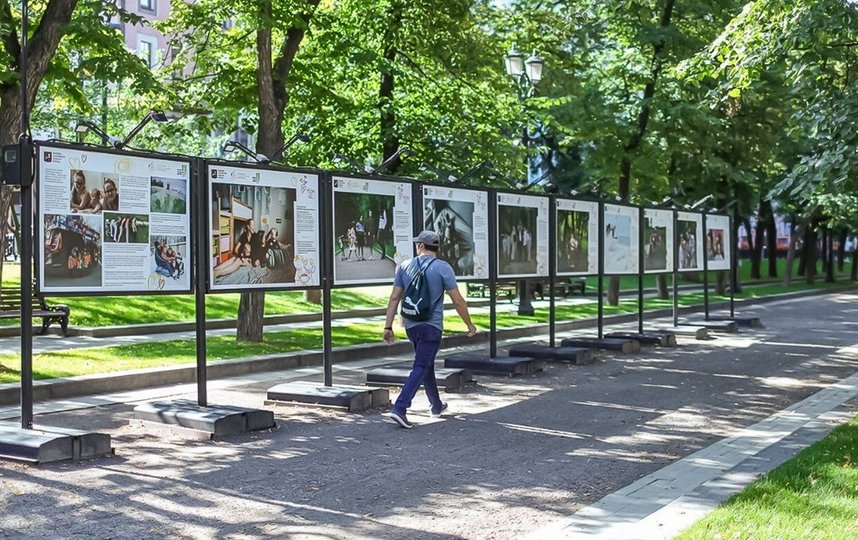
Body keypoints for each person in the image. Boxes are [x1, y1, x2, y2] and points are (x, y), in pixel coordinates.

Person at [382, 230, 478, 429]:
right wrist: (469, 324)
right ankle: (400, 407)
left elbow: (394, 298)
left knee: (426, 364)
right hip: (431, 326)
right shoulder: (443, 268)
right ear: (437, 247)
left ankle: (436, 405)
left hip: (411, 325)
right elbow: (458, 300)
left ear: (420, 246)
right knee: (422, 365)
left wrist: (388, 326)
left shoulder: (405, 266)